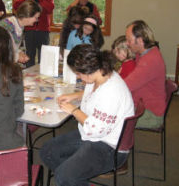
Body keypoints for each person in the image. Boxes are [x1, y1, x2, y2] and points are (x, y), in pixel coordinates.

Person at [40, 44, 134, 186]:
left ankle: (72, 178)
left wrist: (74, 110)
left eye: (78, 74)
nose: (78, 77)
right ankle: (77, 179)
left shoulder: (112, 92)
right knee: (47, 152)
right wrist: (75, 95)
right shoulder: (101, 74)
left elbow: (95, 130)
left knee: (64, 177)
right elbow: (95, 93)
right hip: (94, 135)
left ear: (88, 71)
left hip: (109, 146)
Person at [124, 20, 166, 128]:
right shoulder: (144, 54)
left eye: (129, 40)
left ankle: (124, 144)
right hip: (141, 105)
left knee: (112, 119)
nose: (127, 44)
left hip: (150, 114)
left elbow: (126, 86)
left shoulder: (150, 60)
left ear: (140, 40)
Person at [13, 0, 54, 67]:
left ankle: (42, 75)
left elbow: (50, 9)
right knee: (30, 54)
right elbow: (16, 5)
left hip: (43, 31)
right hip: (30, 30)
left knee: (43, 55)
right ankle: (29, 75)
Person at [0, 0, 42, 64]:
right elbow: (0, 51)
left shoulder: (20, 26)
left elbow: (12, 46)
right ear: (28, 15)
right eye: (36, 17)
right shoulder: (7, 25)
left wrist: (19, 52)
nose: (37, 20)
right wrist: (17, 57)